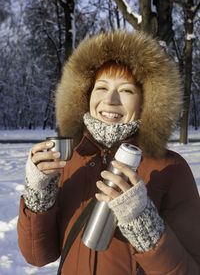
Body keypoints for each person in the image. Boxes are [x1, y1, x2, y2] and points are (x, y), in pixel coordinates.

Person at [17, 30, 200, 275]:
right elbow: (38, 256)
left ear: (147, 100)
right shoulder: (69, 159)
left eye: (126, 90)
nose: (110, 100)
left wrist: (142, 223)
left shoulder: (170, 168)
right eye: (101, 87)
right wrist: (37, 193)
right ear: (86, 94)